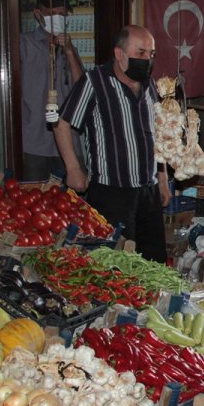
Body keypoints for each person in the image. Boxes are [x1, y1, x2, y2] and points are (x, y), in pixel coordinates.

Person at [54, 25, 172, 264]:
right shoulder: (94, 82)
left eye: (151, 54)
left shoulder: (150, 86)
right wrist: (73, 168)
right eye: (140, 53)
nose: (147, 59)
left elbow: (159, 134)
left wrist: (162, 177)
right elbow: (62, 123)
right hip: (111, 193)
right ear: (119, 54)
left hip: (147, 192)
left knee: (154, 262)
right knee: (116, 265)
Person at [20, 0, 84, 181]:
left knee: (74, 200)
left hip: (69, 142)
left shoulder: (69, 49)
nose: (57, 18)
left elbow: (82, 88)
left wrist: (70, 51)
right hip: (33, 141)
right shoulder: (24, 44)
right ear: (38, 14)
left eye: (62, 14)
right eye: (51, 14)